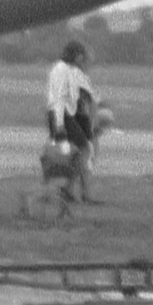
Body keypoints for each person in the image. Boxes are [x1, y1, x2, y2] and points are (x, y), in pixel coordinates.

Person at [45, 41, 97, 203]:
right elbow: (59, 98)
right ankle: (69, 189)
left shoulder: (65, 69)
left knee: (79, 151)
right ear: (76, 55)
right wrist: (60, 123)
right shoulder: (62, 70)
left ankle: (69, 189)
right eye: (81, 55)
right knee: (85, 149)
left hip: (64, 114)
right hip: (61, 115)